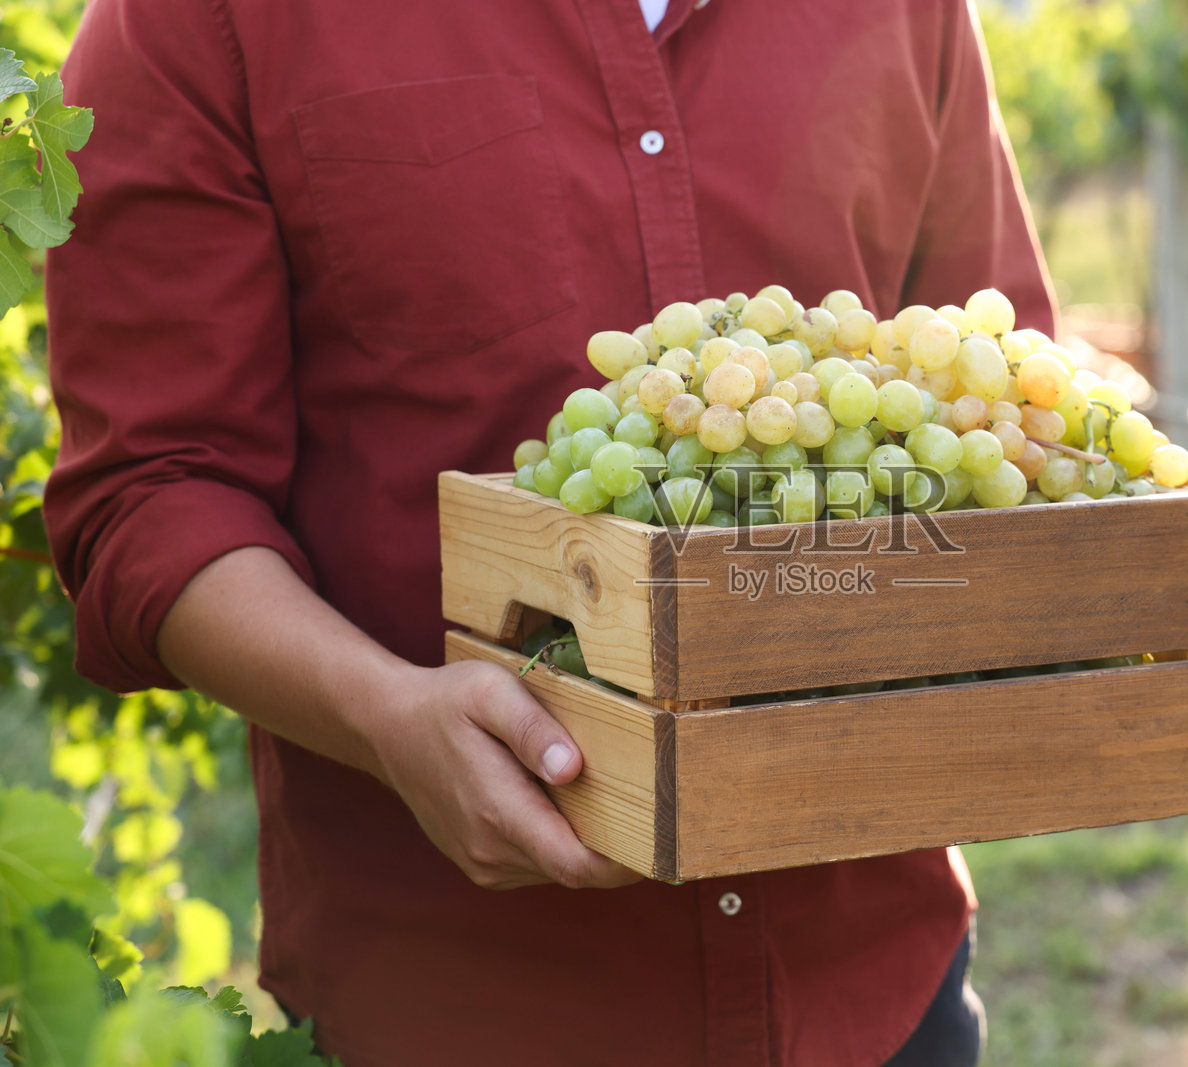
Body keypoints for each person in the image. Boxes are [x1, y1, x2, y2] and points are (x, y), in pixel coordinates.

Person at [44, 0, 1058, 1063]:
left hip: (879, 987)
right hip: (458, 1002)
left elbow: (996, 391)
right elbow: (152, 493)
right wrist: (387, 717)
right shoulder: (202, 18)